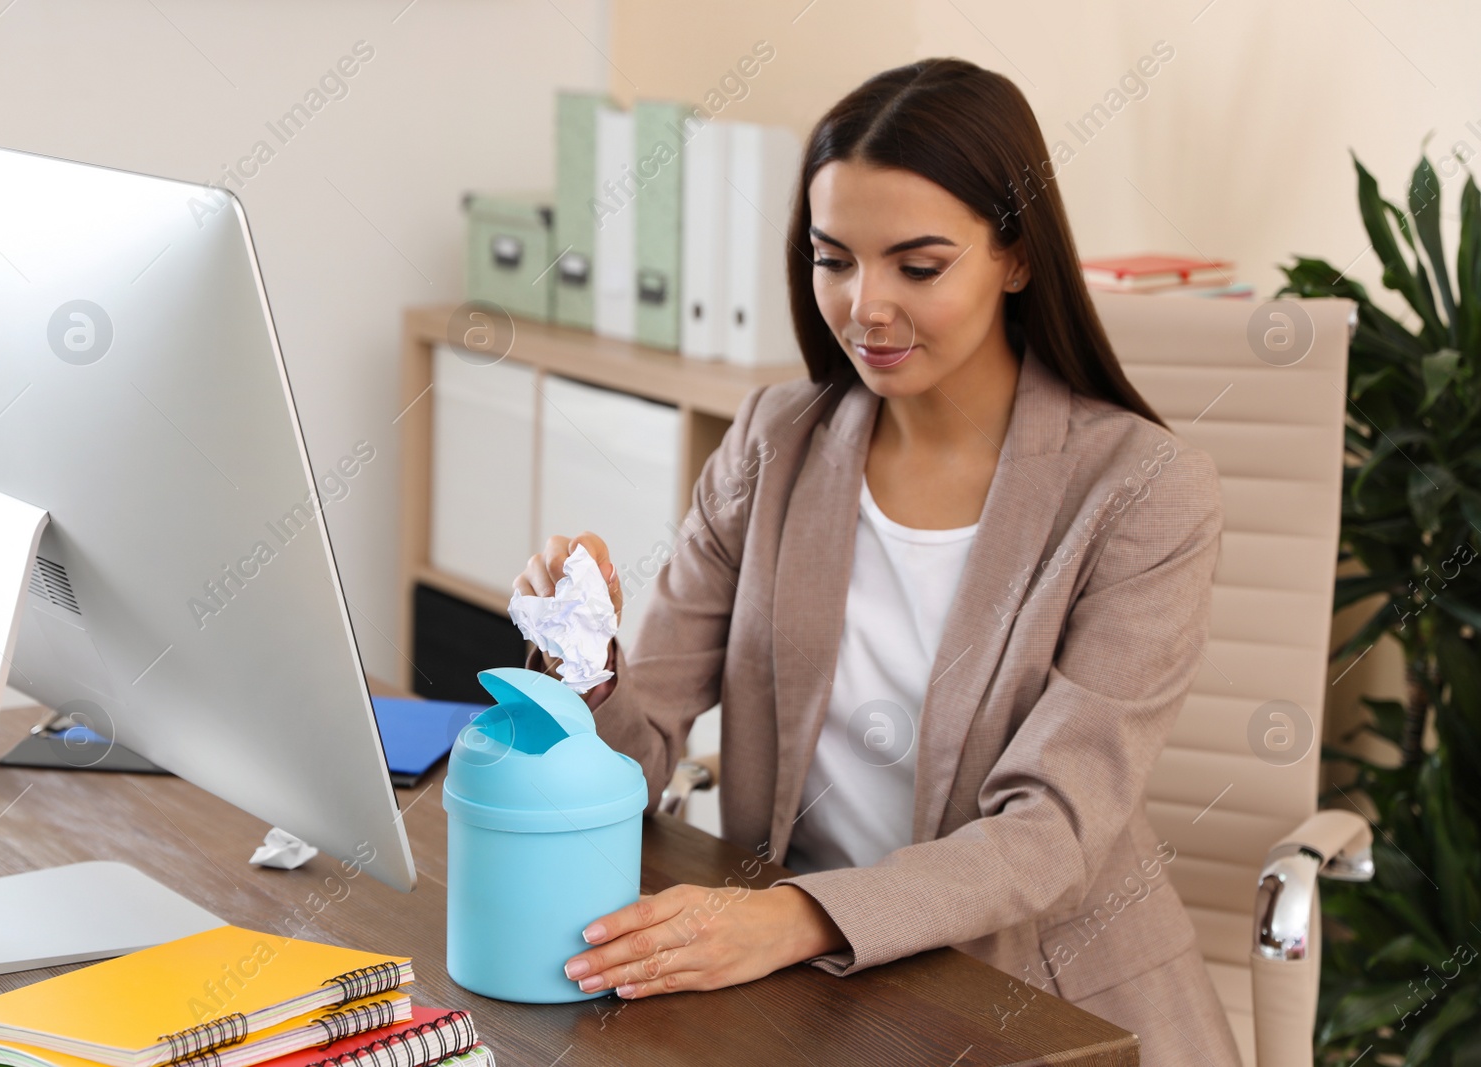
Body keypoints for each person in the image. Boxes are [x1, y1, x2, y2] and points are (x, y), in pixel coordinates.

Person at [512, 57, 1241, 1067]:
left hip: (1036, 1003)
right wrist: (581, 651)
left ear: (1016, 257)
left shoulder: (1143, 490)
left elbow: (1050, 833)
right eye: (832, 259)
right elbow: (635, 759)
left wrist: (796, 916)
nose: (864, 306)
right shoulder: (777, 440)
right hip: (802, 993)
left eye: (918, 264)